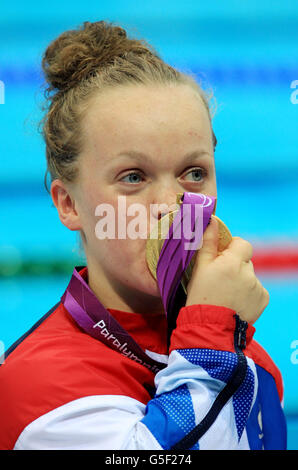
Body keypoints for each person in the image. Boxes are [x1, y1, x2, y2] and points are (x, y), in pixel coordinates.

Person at [0, 20, 286, 450]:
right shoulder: (39, 384)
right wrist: (209, 333)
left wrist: (218, 334)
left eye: (194, 173)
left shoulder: (245, 352)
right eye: (133, 177)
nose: (172, 204)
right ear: (69, 204)